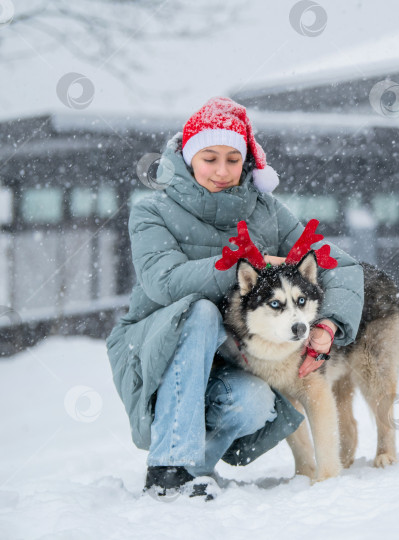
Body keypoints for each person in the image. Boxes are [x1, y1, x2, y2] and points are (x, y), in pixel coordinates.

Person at [105, 96, 364, 500]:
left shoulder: (266, 211)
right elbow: (163, 282)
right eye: (210, 158)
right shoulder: (152, 210)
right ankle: (169, 470)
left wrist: (330, 324)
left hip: (229, 358)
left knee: (255, 402)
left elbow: (339, 266)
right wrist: (246, 263)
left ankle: (198, 470)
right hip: (160, 347)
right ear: (188, 158)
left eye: (232, 158)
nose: (222, 171)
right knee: (202, 311)